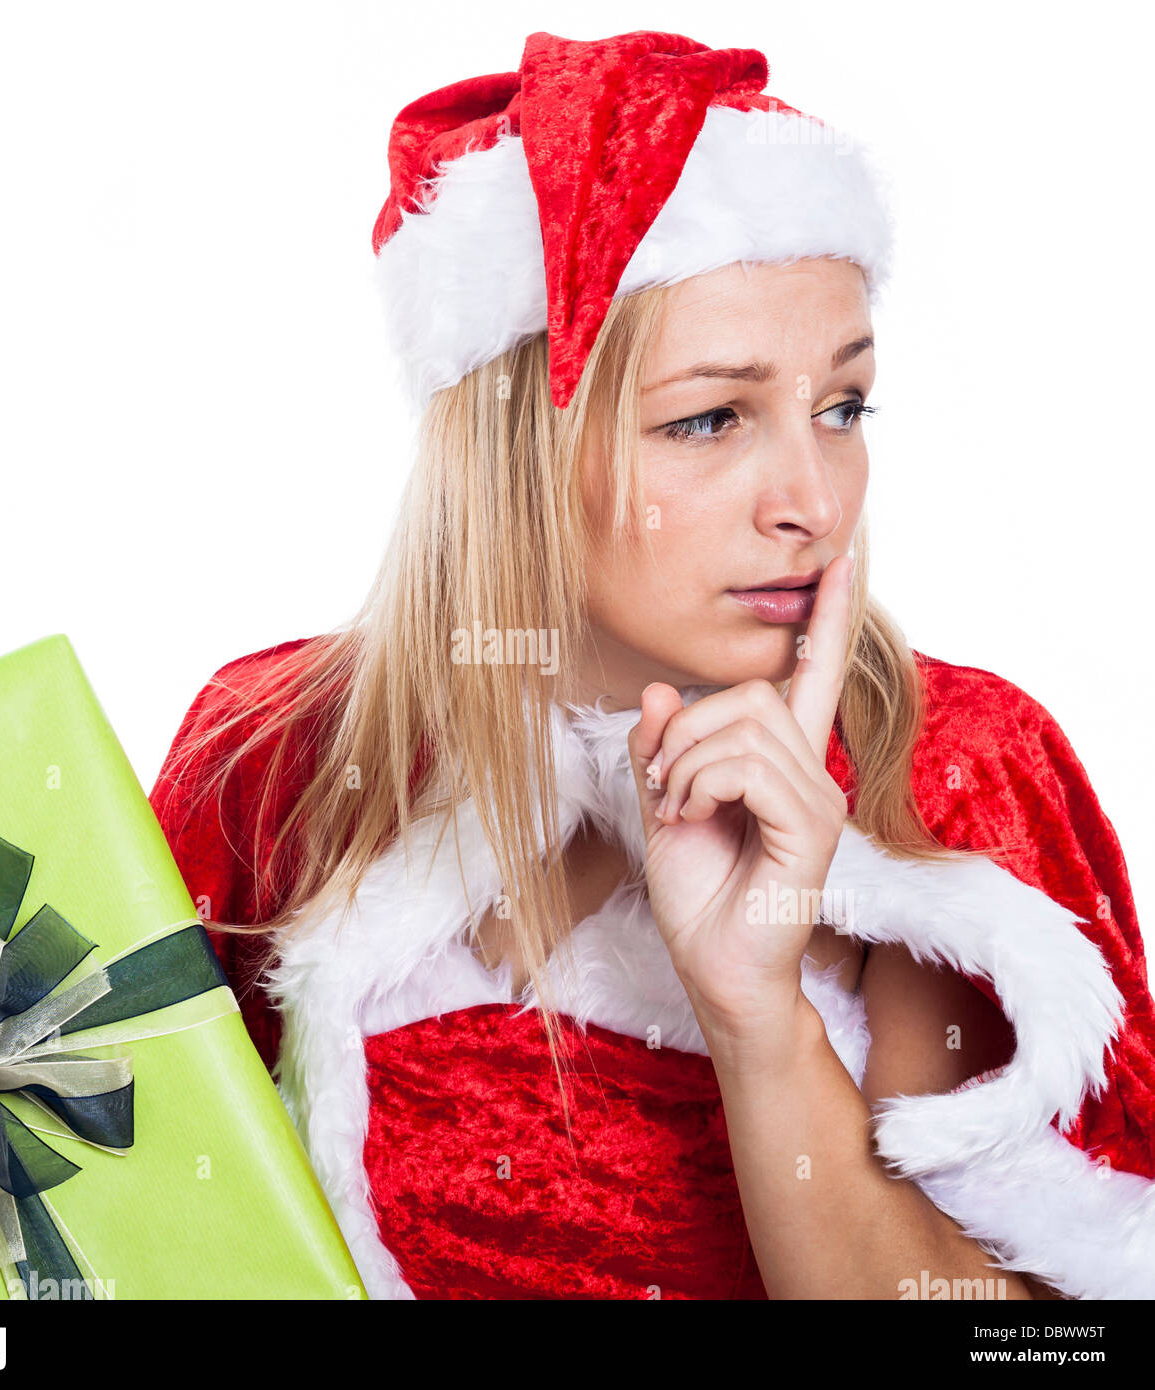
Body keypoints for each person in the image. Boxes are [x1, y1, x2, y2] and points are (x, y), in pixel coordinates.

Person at [149, 29, 1155, 1300]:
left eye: (841, 406)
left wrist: (760, 1019)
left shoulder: (951, 766)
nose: (812, 500)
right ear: (514, 452)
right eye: (710, 418)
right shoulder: (280, 751)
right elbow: (113, 1226)